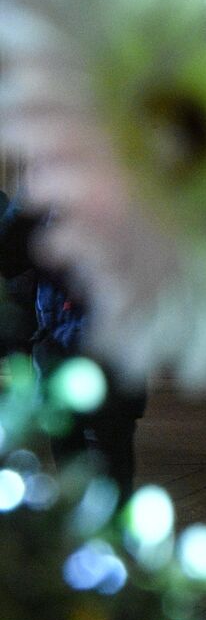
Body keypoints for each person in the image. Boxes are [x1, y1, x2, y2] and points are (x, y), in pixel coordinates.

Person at [0, 205, 146, 502]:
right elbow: (9, 258)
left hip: (110, 348)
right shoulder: (46, 204)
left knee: (111, 452)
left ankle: (113, 530)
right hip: (59, 345)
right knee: (69, 453)